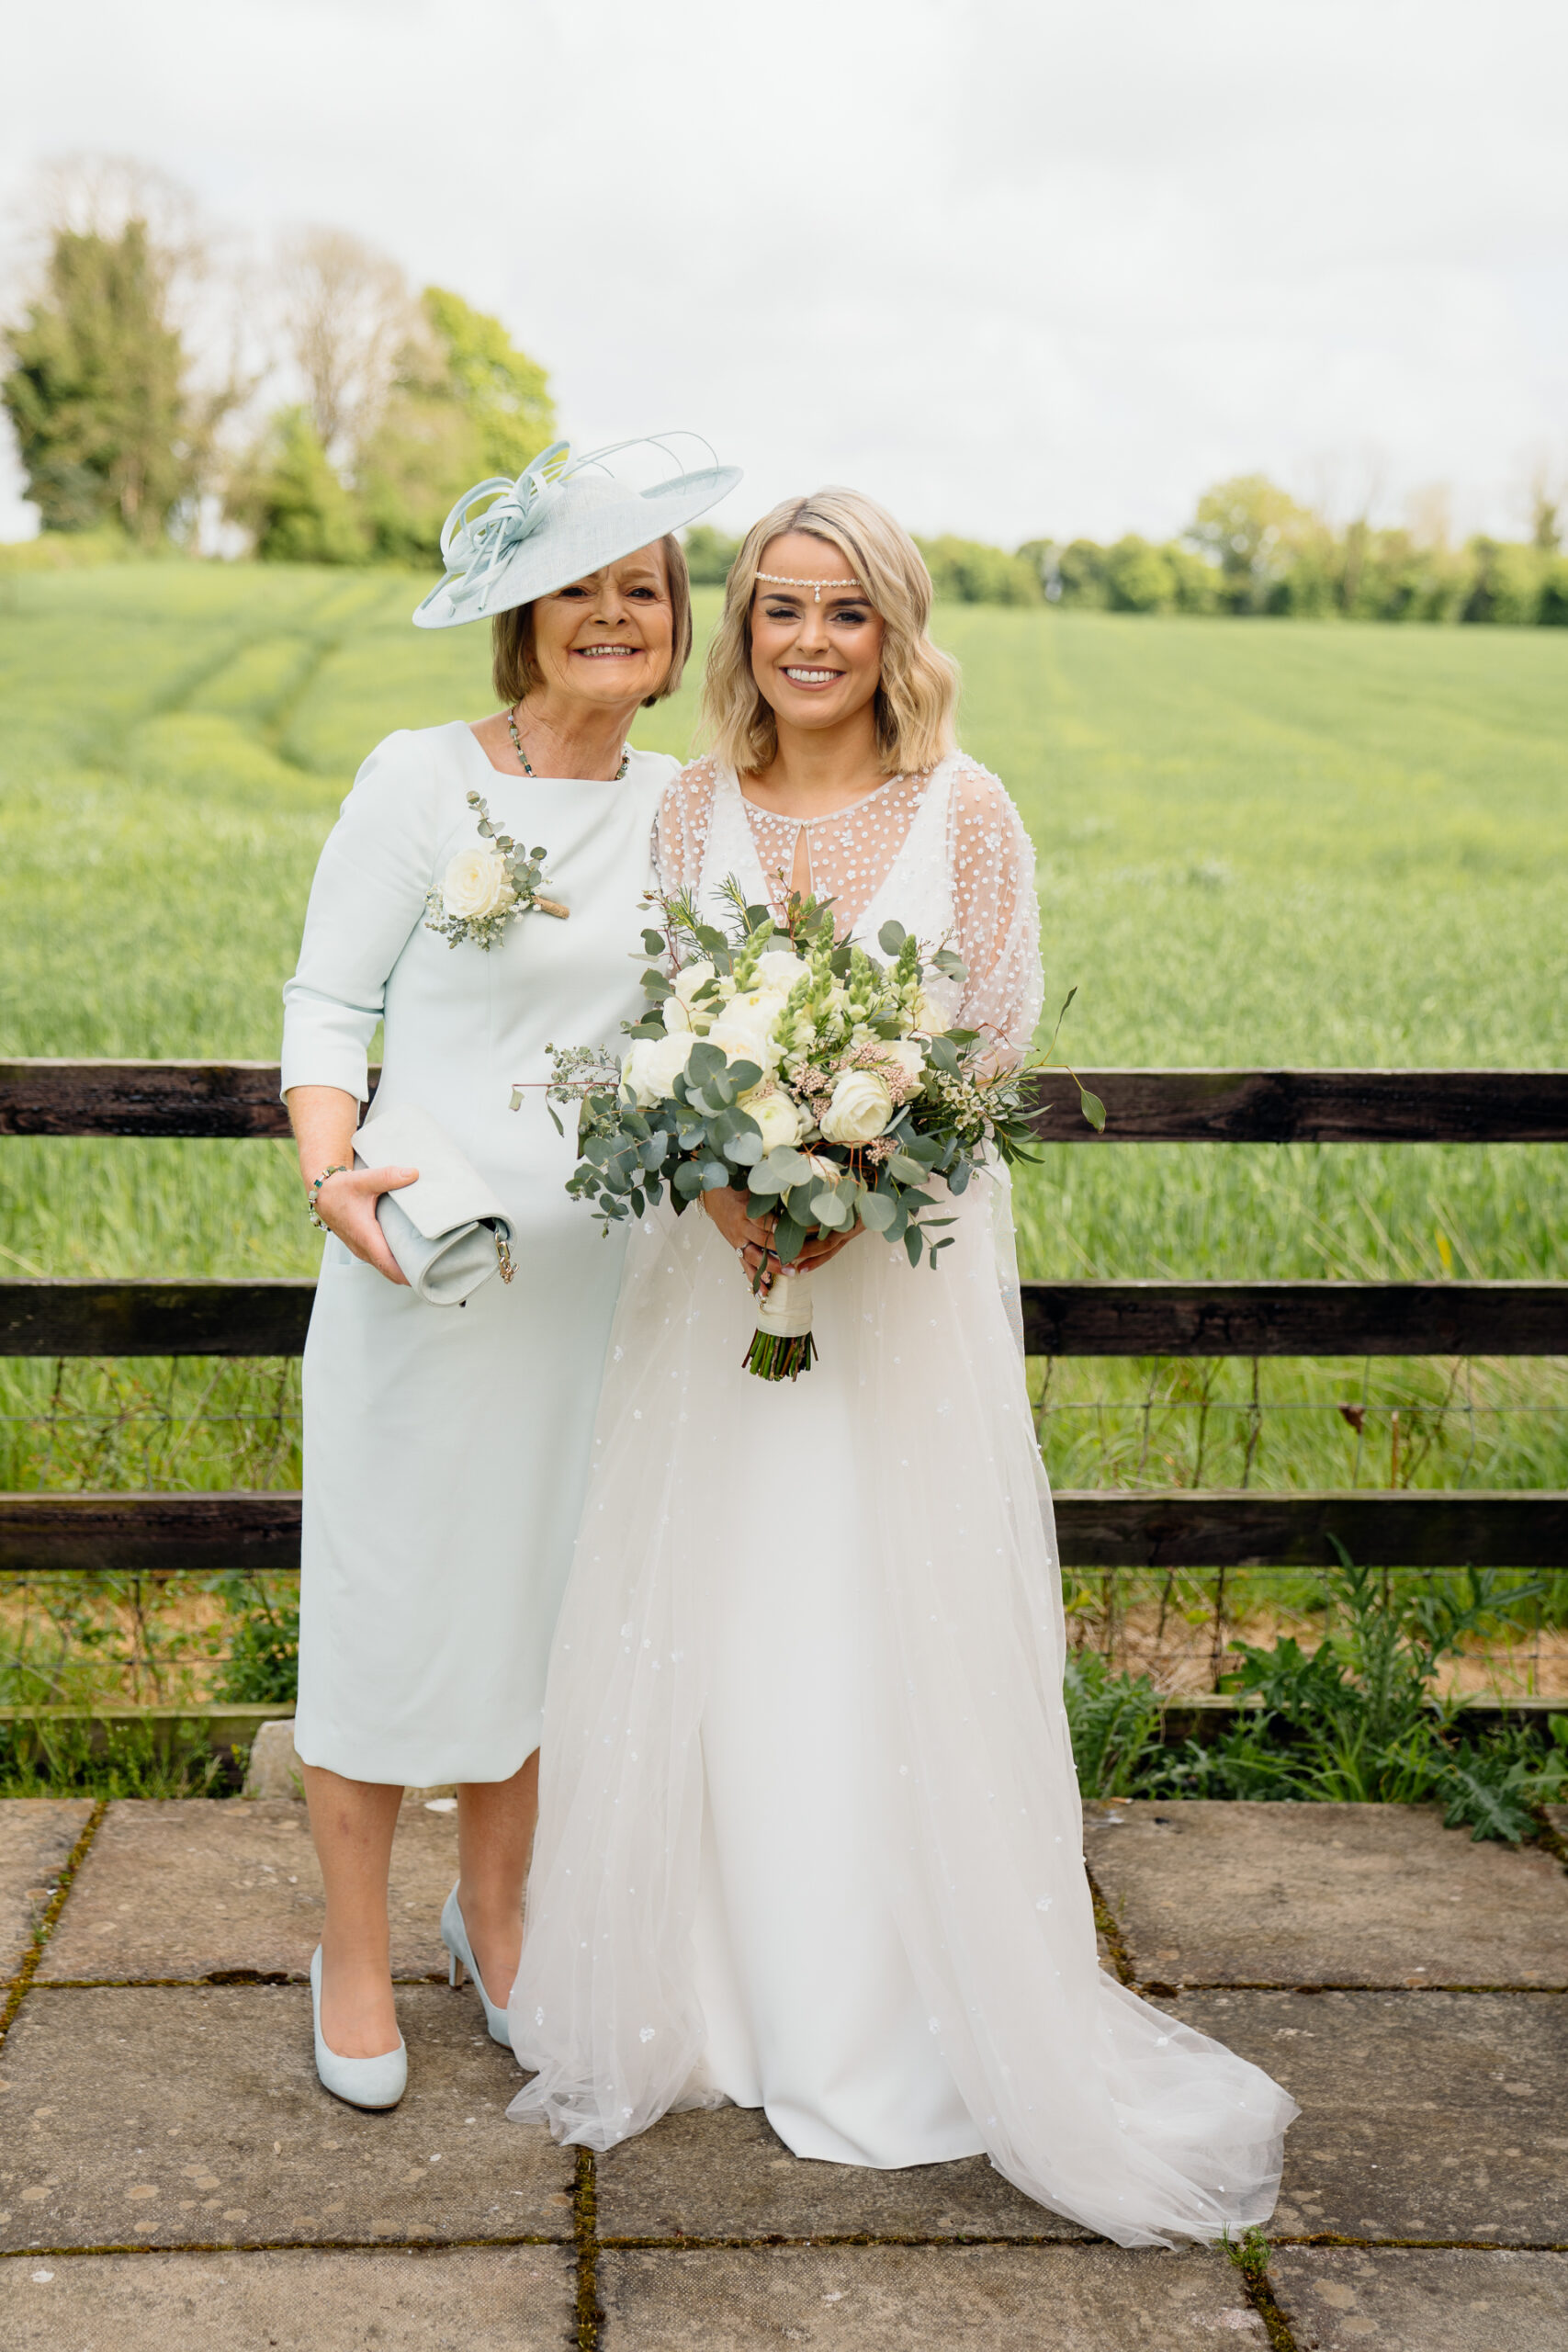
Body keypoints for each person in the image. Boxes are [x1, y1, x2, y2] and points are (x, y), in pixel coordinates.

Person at [506, 488, 1297, 2245]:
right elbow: (644, 1028)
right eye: (777, 607)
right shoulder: (689, 806)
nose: (804, 641)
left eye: (843, 613)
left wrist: (863, 1197)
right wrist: (729, 1192)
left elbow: (994, 1035)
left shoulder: (968, 809)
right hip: (714, 1280)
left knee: (881, 1603)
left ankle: (899, 2012)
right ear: (743, 632)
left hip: (898, 1285)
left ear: (895, 633)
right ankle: (713, 2000)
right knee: (719, 1602)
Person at [281, 437, 739, 2108]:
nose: (614, 616)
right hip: (423, 1266)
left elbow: (718, 1027)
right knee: (395, 1600)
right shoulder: (421, 781)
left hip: (607, 1287)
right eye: (582, 591)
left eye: (644, 590)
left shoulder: (690, 807)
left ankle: (498, 1916)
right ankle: (350, 1946)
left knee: (554, 1601)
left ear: (678, 627)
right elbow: (329, 1011)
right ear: (523, 617)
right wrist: (337, 1175)